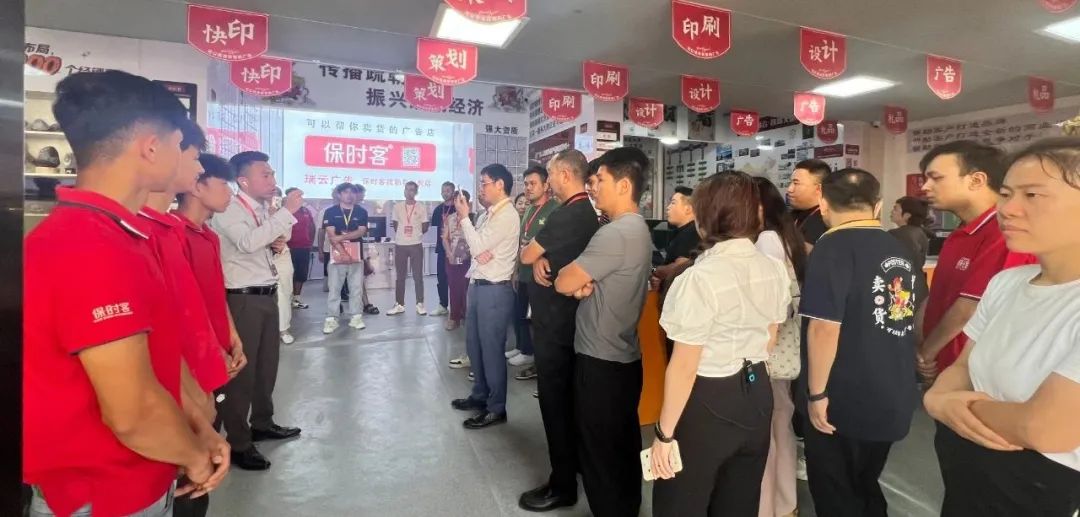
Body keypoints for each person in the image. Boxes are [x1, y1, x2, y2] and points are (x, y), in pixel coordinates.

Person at [24, 70, 225, 517]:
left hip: (137, 480)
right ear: (151, 147)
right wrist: (195, 458)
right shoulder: (88, 245)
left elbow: (157, 358)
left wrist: (199, 427)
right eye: (179, 144)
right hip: (103, 495)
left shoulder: (120, 234)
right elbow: (132, 412)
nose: (188, 160)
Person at [925, 137, 1080, 516]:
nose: (1007, 209)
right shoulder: (1008, 283)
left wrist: (946, 405)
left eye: (1032, 195)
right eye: (1007, 194)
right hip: (968, 474)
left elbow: (1045, 428)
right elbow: (963, 366)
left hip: (1043, 488)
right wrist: (937, 399)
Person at [650, 171, 791, 517]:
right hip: (757, 394)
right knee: (739, 502)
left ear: (705, 218)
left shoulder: (698, 278)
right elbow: (770, 337)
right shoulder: (773, 268)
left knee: (680, 502)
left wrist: (664, 435)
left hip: (707, 399)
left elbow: (684, 367)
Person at [798, 168, 919, 517]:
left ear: (823, 203)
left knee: (836, 490)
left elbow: (824, 327)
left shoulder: (832, 245)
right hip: (892, 390)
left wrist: (817, 395)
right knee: (866, 482)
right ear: (878, 205)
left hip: (844, 394)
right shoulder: (898, 245)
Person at [139, 119, 233, 517]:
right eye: (192, 157)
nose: (197, 168)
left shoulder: (172, 231)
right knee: (185, 489)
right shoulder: (144, 233)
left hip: (196, 382)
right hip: (173, 395)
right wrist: (193, 402)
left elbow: (197, 307)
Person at [554, 147, 653, 517]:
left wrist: (576, 283)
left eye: (600, 180)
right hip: (623, 356)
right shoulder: (638, 229)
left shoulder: (615, 234)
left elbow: (564, 282)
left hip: (600, 360)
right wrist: (584, 284)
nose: (593, 187)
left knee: (599, 452)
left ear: (624, 185)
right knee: (621, 444)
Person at [517, 150, 601, 512]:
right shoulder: (582, 213)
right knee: (567, 403)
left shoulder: (569, 214)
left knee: (555, 404)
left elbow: (525, 255)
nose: (548, 181)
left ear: (565, 175)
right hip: (567, 322)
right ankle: (571, 468)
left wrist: (535, 255)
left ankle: (562, 485)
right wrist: (543, 256)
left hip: (556, 325)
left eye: (550, 175)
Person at [211, 151, 303, 471]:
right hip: (243, 298)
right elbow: (248, 242)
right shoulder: (229, 209)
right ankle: (238, 441)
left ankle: (262, 422)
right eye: (265, 174)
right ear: (243, 181)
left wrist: (277, 240)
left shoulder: (263, 208)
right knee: (242, 374)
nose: (272, 180)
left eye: (272, 174)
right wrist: (286, 213)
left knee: (267, 366)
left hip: (266, 293)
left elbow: (267, 240)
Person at [916, 141, 1036, 384]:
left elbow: (968, 308)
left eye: (935, 178)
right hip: (945, 367)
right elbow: (939, 293)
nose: (925, 187)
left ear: (977, 180)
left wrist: (927, 353)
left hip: (975, 375)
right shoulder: (962, 233)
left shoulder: (1005, 232)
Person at [751, 176, 807, 517]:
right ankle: (785, 503)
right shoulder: (784, 235)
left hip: (769, 352)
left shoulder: (766, 240)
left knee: (769, 431)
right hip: (780, 351)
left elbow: (773, 301)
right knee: (779, 426)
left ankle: (770, 506)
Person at [449, 165, 521, 429]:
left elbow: (478, 245)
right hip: (478, 285)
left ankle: (496, 408)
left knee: (491, 350)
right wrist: (478, 247)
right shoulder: (488, 214)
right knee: (475, 345)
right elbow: (476, 250)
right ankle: (480, 394)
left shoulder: (507, 215)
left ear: (500, 185)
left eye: (484, 183)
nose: (481, 188)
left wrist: (464, 218)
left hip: (495, 289)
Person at [174, 153, 248, 390]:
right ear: (196, 186)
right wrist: (213, 349)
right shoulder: (173, 234)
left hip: (217, 346)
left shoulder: (209, 236)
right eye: (224, 184)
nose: (230, 193)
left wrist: (232, 336)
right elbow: (184, 306)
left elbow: (216, 293)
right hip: (193, 352)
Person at [508, 165, 559, 374]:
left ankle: (539, 362)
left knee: (540, 322)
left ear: (546, 185)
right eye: (526, 184)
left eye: (533, 183)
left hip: (542, 276)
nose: (528, 188)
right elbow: (522, 241)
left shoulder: (555, 209)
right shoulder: (528, 209)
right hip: (524, 272)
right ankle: (525, 349)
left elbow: (557, 245)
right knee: (521, 314)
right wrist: (516, 270)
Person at [650, 186, 701, 359]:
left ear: (688, 208)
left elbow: (679, 267)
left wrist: (658, 271)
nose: (668, 208)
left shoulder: (691, 234)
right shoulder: (682, 233)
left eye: (673, 203)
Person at [322, 182, 369, 333]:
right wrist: (343, 253)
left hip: (356, 255)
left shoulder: (361, 211)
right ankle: (332, 319)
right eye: (346, 192)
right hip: (337, 256)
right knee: (334, 288)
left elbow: (361, 231)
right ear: (339, 194)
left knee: (356, 288)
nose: (350, 195)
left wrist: (341, 237)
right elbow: (331, 235)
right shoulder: (330, 212)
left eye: (352, 192)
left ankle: (356, 317)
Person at [389, 181, 430, 315]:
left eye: (412, 189)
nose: (409, 192)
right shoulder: (397, 207)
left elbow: (425, 226)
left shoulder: (421, 207)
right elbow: (395, 225)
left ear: (416, 192)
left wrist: (415, 234)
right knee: (400, 277)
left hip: (416, 244)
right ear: (404, 191)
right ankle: (399, 304)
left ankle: (420, 304)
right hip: (400, 245)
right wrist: (403, 235)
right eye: (407, 189)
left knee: (418, 276)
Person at [889, 196, 933, 305]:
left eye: (895, 209)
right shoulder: (920, 232)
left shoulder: (897, 234)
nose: (892, 211)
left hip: (903, 289)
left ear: (907, 215)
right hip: (919, 286)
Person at [442, 190, 473, 332]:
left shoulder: (473, 218)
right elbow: (445, 238)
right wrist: (449, 253)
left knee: (466, 288)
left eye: (461, 200)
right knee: (454, 288)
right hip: (452, 259)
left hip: (468, 259)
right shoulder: (450, 218)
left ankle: (466, 315)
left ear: (467, 202)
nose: (457, 203)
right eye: (455, 201)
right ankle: (454, 318)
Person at [269, 187, 296, 345]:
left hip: (281, 256)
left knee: (284, 293)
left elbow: (286, 236)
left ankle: (283, 329)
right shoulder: (254, 213)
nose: (274, 200)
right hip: (258, 257)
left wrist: (275, 215)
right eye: (271, 197)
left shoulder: (285, 214)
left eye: (277, 198)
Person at [786, 159, 831, 250]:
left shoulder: (827, 219)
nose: (789, 189)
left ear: (819, 188)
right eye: (790, 183)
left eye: (796, 183)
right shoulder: (791, 215)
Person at [429, 181, 456, 317]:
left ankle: (458, 307)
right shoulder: (438, 210)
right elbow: (435, 229)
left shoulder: (458, 208)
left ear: (453, 192)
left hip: (456, 249)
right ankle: (443, 305)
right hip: (441, 249)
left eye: (448, 190)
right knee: (442, 278)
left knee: (456, 278)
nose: (445, 193)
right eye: (443, 191)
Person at [286, 187, 316, 310]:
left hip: (304, 247)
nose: (299, 198)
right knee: (288, 274)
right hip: (287, 248)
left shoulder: (306, 210)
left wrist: (310, 243)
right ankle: (286, 299)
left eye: (300, 196)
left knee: (301, 274)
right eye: (295, 196)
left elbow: (312, 227)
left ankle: (296, 299)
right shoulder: (284, 211)